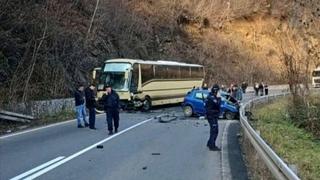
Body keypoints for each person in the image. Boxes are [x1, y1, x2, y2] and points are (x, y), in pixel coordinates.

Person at [205, 84, 221, 151]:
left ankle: (209, 143)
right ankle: (212, 146)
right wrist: (219, 98)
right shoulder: (212, 97)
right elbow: (217, 104)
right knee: (214, 131)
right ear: (216, 91)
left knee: (213, 130)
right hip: (212, 116)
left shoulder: (210, 96)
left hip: (211, 115)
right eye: (218, 91)